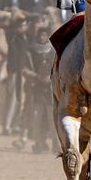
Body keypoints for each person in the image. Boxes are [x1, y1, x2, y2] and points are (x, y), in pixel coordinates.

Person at [16, 18, 55, 153]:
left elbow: (59, 70)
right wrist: (36, 77)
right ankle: (37, 143)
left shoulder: (54, 52)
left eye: (45, 35)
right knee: (36, 118)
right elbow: (24, 69)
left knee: (52, 120)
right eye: (40, 35)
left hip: (51, 91)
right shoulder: (30, 51)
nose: (42, 37)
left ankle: (56, 146)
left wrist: (50, 78)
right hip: (35, 90)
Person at [2, 12, 31, 135]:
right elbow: (13, 56)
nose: (23, 27)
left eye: (23, 25)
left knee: (20, 99)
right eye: (21, 25)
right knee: (11, 99)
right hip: (14, 72)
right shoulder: (13, 36)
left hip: (21, 72)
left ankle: (15, 125)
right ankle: (6, 126)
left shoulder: (25, 38)